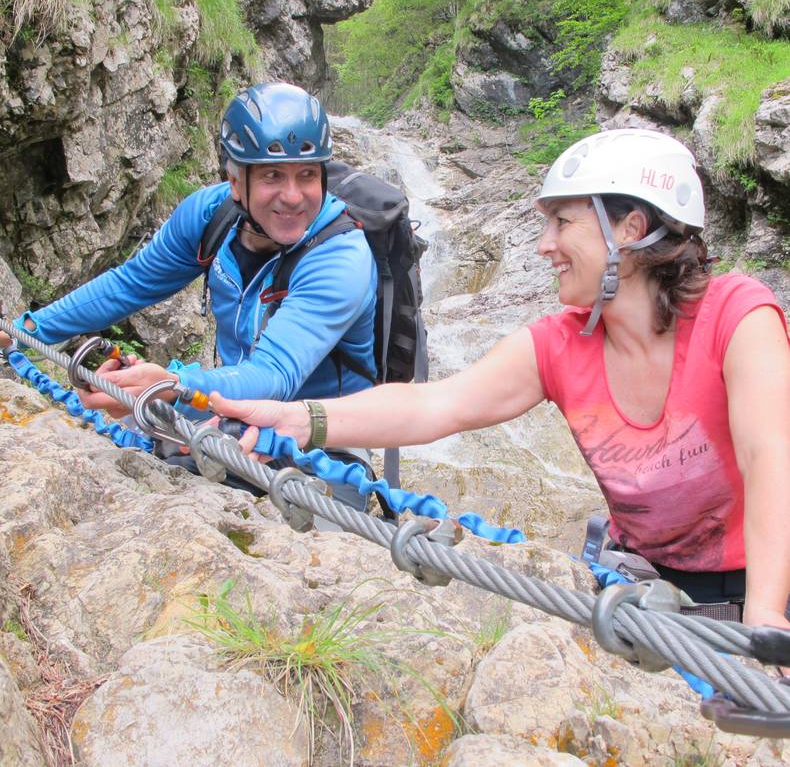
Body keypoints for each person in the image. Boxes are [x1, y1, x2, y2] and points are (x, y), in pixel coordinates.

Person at [211, 128, 790, 635]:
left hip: (765, 591)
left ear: (631, 229)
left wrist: (765, 612)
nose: (544, 245)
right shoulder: (559, 344)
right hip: (639, 592)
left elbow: (770, 456)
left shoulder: (738, 314)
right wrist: (299, 418)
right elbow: (435, 405)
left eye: (563, 222)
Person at [0, 82, 378, 511]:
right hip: (229, 412)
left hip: (324, 443)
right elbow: (130, 284)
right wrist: (24, 331)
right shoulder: (209, 217)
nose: (293, 196)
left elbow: (275, 375)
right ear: (236, 181)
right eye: (273, 175)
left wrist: (173, 385)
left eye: (307, 174)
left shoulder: (341, 257)